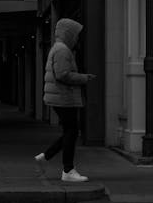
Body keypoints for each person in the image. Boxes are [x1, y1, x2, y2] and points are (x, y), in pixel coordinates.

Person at [34, 17, 96, 182]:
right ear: (69, 34)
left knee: (71, 131)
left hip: (60, 96)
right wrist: (84, 78)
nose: (77, 38)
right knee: (72, 131)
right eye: (76, 35)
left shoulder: (59, 48)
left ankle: (45, 157)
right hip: (63, 97)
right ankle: (67, 170)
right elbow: (62, 74)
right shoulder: (63, 50)